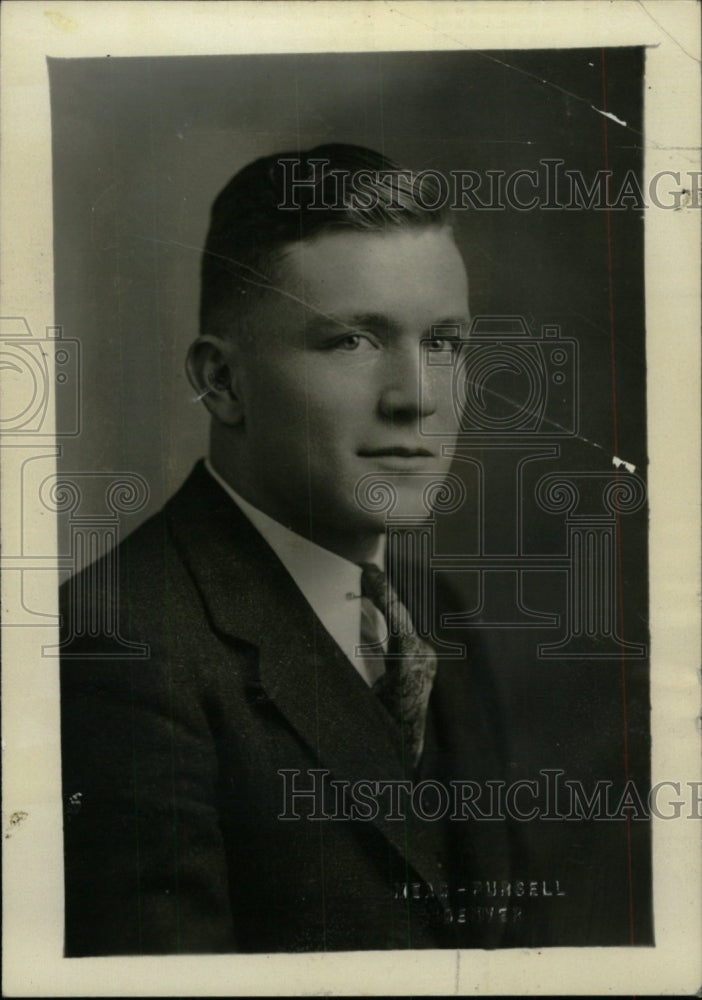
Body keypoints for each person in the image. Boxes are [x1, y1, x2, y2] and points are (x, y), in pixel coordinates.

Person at [60, 144, 517, 955]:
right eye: (350, 341)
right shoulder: (119, 650)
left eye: (444, 341)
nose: (416, 396)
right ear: (222, 382)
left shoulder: (429, 606)